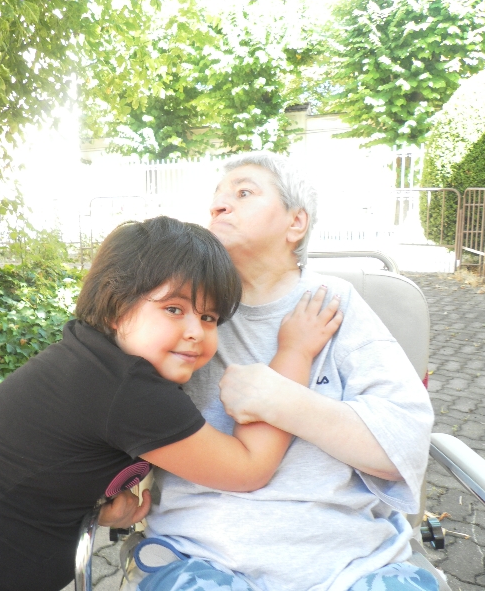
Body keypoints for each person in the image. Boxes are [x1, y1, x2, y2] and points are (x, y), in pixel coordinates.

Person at [0, 216, 341, 591]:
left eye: (209, 317)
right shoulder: (126, 389)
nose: (196, 331)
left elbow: (51, 462)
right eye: (174, 309)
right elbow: (248, 468)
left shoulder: (91, 356)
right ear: (115, 306)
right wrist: (295, 351)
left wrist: (92, 501)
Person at [130, 153, 436, 591]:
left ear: (296, 222)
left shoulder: (334, 303)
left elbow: (403, 448)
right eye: (216, 198)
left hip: (355, 563)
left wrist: (280, 400)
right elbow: (117, 402)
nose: (217, 206)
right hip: (201, 556)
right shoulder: (178, 310)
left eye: (244, 192)